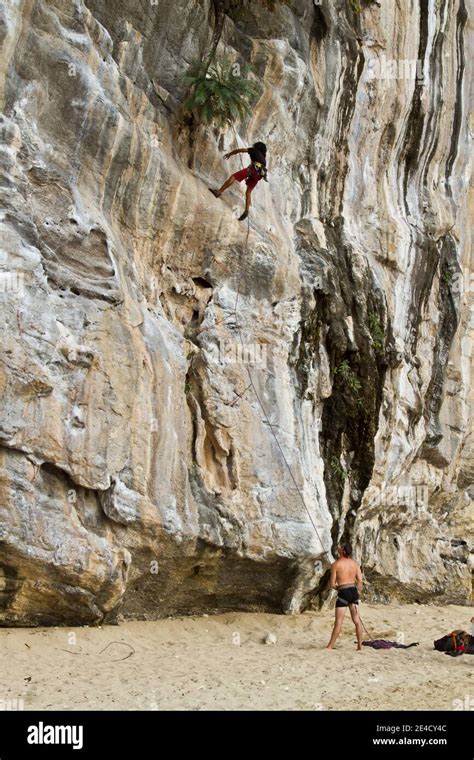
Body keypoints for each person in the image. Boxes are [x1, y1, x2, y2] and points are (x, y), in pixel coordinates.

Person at [209, 141, 268, 221]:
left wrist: (230, 154)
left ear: (257, 147)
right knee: (248, 192)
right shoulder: (264, 160)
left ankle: (219, 192)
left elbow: (240, 150)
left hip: (253, 169)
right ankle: (246, 210)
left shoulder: (254, 150)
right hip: (259, 175)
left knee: (234, 177)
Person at [326, 543, 364, 651]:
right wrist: (355, 587)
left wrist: (338, 588)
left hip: (344, 592)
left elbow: (332, 584)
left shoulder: (335, 565)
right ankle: (360, 646)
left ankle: (330, 646)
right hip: (353, 591)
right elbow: (360, 582)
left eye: (341, 547)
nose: (339, 548)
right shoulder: (355, 564)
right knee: (357, 621)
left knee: (338, 622)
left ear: (343, 551)